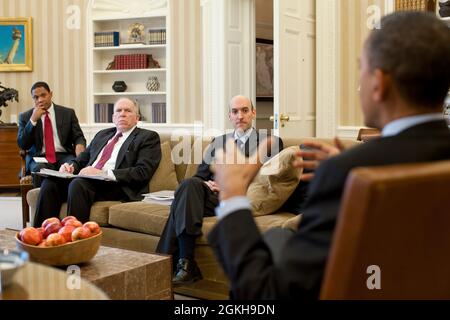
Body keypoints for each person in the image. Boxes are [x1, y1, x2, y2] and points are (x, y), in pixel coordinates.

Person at [208, 12, 450, 299]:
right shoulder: (356, 169)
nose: (359, 85)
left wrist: (234, 197)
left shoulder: (348, 169)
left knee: (275, 242)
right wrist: (351, 168)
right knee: (278, 237)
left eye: (361, 70)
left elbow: (268, 295)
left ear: (379, 83)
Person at [156, 95, 283, 286]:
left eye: (245, 110)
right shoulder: (218, 141)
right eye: (235, 111)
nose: (240, 115)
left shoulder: (270, 141)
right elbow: (200, 176)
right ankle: (185, 262)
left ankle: (167, 266)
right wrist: (206, 184)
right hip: (211, 197)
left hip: (240, 196)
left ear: (253, 113)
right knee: (188, 185)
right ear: (229, 116)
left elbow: (266, 180)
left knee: (179, 205)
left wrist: (230, 185)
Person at [33, 98, 162, 227]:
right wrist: (71, 166)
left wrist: (102, 173)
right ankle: (39, 236)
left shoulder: (147, 137)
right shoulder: (102, 135)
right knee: (50, 183)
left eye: (128, 111)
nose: (122, 114)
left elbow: (142, 172)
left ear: (137, 118)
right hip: (88, 180)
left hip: (116, 184)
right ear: (113, 117)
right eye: (118, 110)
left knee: (79, 184)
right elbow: (82, 158)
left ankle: (74, 238)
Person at [18, 82, 87, 187]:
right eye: (36, 97)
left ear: (50, 94)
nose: (40, 100)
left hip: (64, 155)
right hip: (39, 157)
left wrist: (80, 146)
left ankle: (67, 199)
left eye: (43, 95)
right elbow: (23, 144)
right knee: (39, 169)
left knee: (71, 167)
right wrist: (32, 121)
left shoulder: (67, 113)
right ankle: (42, 200)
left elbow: (78, 137)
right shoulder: (26, 117)